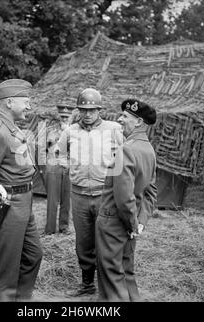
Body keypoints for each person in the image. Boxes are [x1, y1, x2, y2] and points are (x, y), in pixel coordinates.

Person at [0, 79, 43, 302]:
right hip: (8, 201)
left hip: (23, 200)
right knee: (7, 266)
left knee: (33, 255)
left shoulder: (11, 128)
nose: (29, 106)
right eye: (26, 101)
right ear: (10, 102)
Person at [57, 88, 123, 296]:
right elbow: (59, 154)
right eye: (84, 110)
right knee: (84, 242)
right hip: (79, 195)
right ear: (79, 110)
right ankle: (87, 284)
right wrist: (67, 166)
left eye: (92, 110)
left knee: (106, 241)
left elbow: (127, 155)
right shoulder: (69, 131)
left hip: (105, 195)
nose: (88, 114)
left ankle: (108, 286)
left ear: (99, 110)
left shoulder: (113, 129)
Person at [95, 99, 158, 302]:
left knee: (111, 277)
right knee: (126, 273)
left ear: (138, 122)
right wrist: (139, 222)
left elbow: (123, 197)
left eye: (125, 116)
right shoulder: (149, 151)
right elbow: (151, 193)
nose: (120, 119)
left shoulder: (126, 149)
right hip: (130, 222)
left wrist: (132, 224)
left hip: (114, 222)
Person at [40, 104, 75, 235]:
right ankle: (49, 229)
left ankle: (64, 227)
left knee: (67, 199)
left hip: (68, 167)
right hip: (53, 166)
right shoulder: (50, 129)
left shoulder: (76, 131)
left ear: (72, 116)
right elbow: (42, 149)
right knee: (52, 199)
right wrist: (44, 167)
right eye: (63, 116)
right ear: (59, 116)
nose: (65, 119)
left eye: (67, 116)